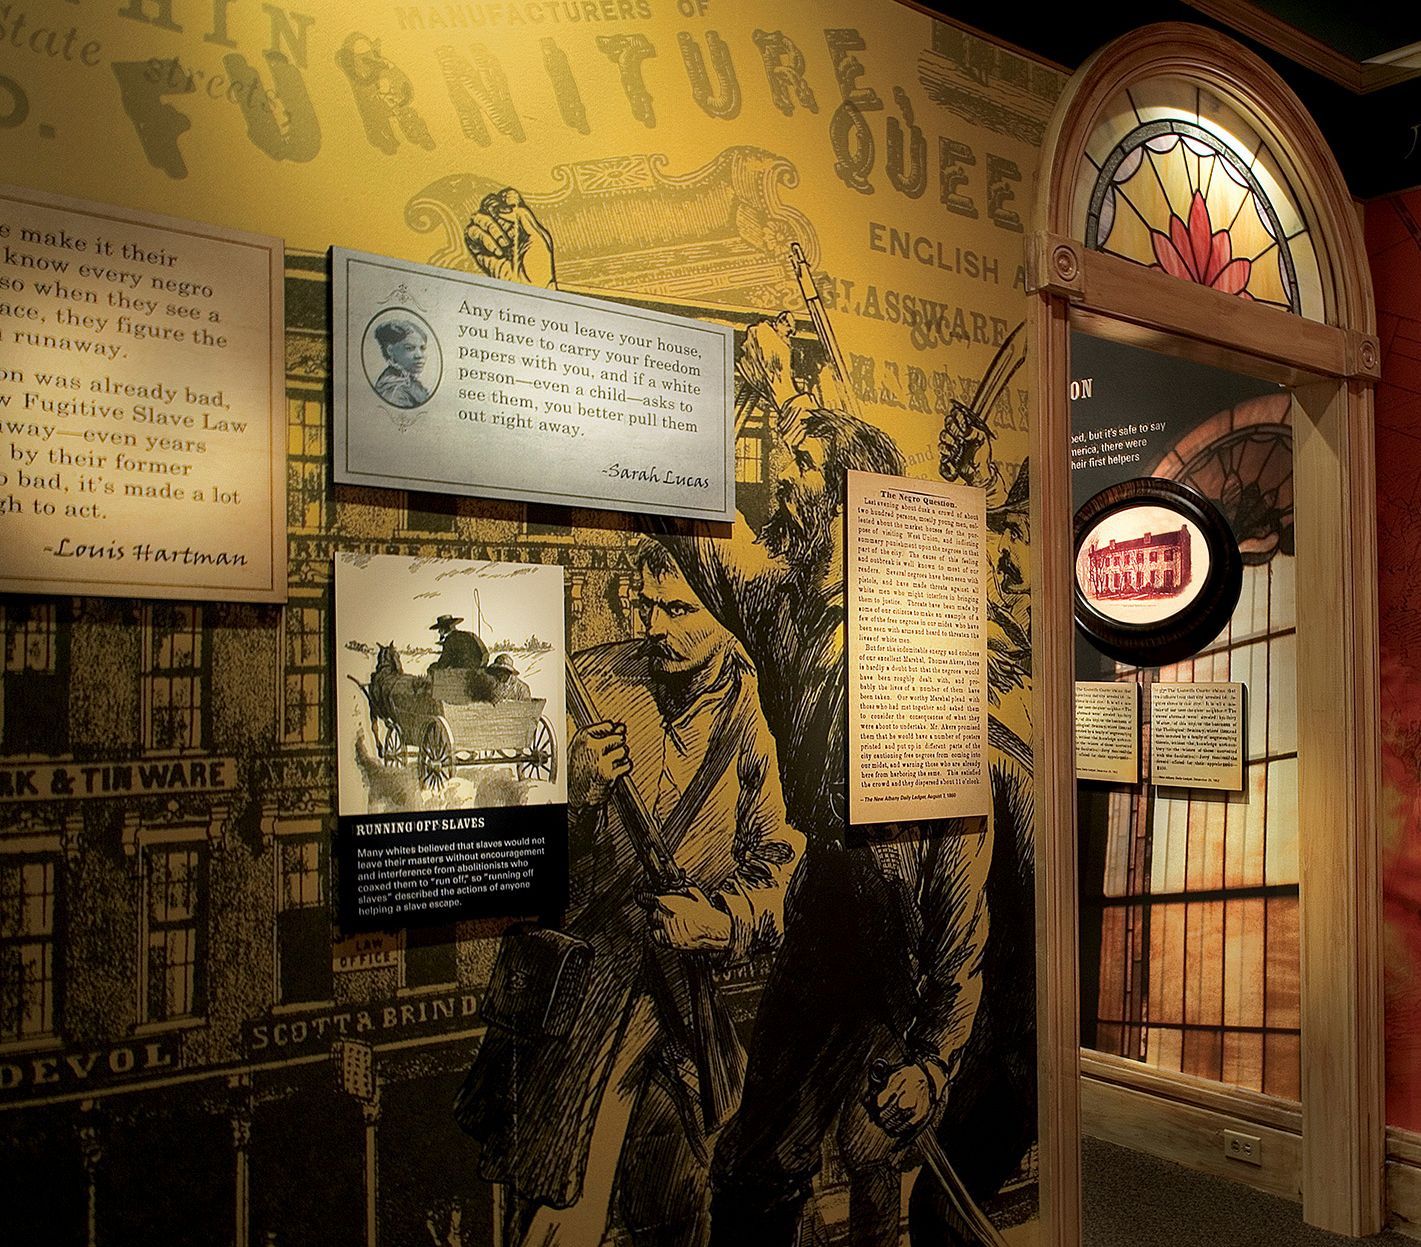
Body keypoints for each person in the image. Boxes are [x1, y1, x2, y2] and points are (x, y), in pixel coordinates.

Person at [456, 543, 803, 1247]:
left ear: (726, 617)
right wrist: (571, 786)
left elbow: (776, 857)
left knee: (673, 1212)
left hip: (680, 1005)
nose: (654, 624)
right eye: (646, 603)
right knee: (560, 1219)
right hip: (585, 998)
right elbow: (490, 824)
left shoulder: (745, 703)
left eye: (678, 608)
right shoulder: (587, 681)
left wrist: (722, 920)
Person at [372, 319, 432, 408]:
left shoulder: (409, 382)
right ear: (390, 350)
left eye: (422, 348)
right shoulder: (393, 391)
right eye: (409, 348)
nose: (419, 355)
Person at [467, 652, 531, 703]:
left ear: (509, 672)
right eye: (497, 670)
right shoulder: (492, 685)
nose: (499, 674)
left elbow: (526, 709)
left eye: (503, 671)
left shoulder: (522, 688)